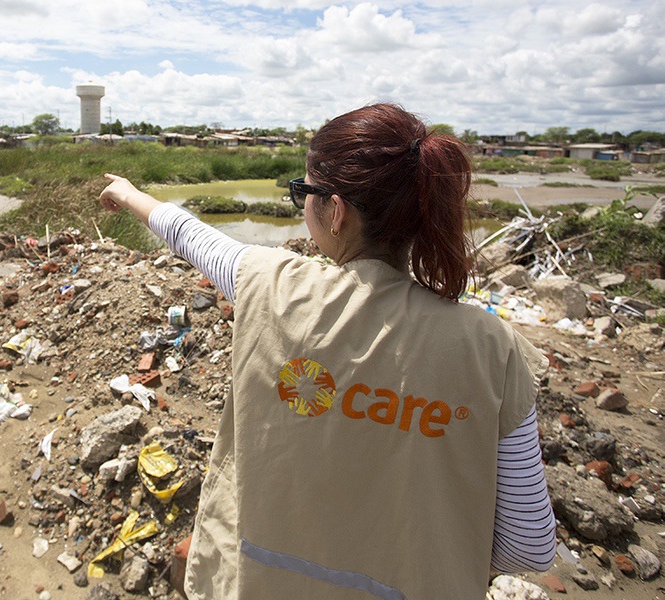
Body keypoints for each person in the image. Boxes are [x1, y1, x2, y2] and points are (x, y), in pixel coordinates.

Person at [99, 103, 556, 600]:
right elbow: (528, 548)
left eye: (303, 192)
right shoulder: (492, 348)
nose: (300, 203)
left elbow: (193, 237)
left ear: (335, 211)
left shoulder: (273, 286)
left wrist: (129, 194)